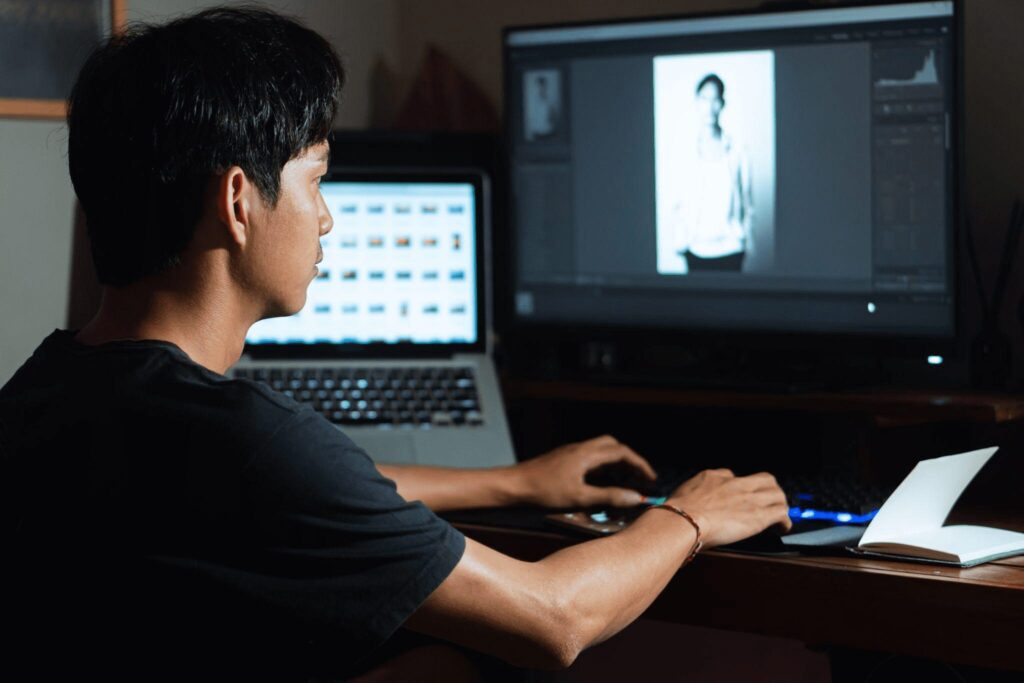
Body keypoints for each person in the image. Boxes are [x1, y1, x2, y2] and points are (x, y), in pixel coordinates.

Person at [0, 9, 790, 681]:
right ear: (239, 203)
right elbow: (556, 617)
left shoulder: (42, 389)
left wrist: (515, 483)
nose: (327, 216)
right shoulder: (245, 441)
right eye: (316, 180)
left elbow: (317, 486)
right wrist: (687, 516)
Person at [671, 73, 754, 272]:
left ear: (722, 103)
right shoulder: (686, 151)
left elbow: (747, 201)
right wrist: (681, 240)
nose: (709, 106)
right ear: (696, 102)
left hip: (731, 249)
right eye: (704, 99)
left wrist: (744, 239)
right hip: (695, 250)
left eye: (715, 99)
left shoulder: (737, 150)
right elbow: (678, 203)